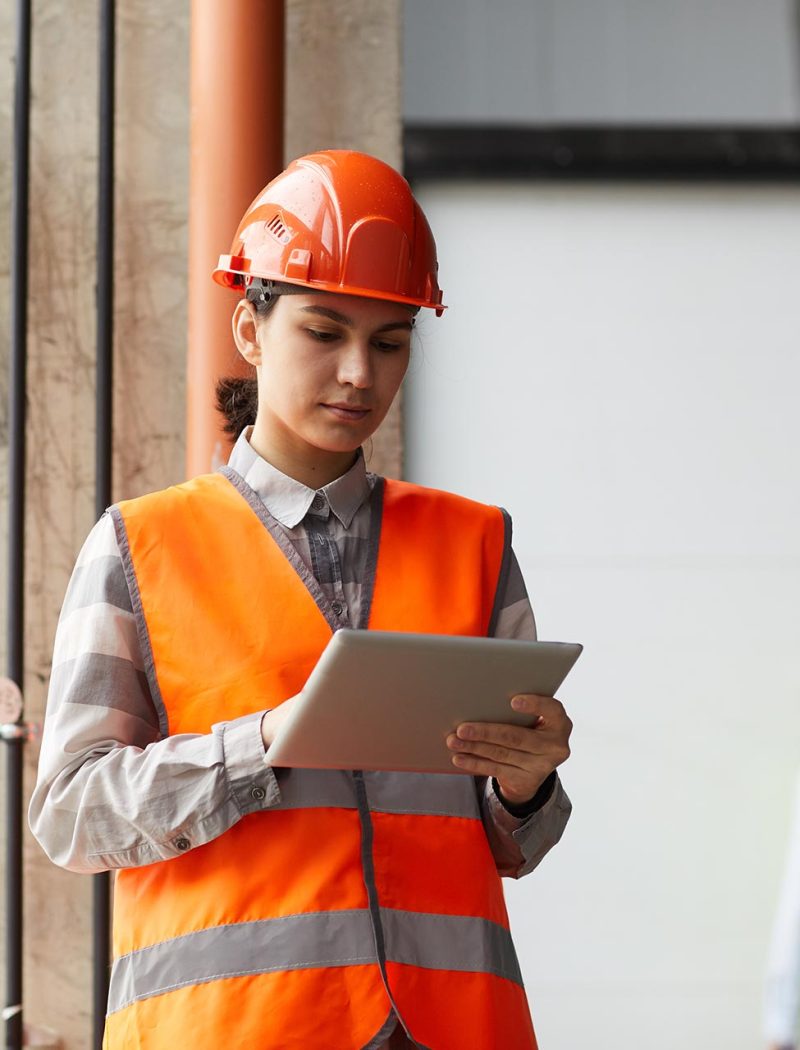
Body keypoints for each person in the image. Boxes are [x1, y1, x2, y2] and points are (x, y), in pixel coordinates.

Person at [29, 150, 574, 1050]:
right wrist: (263, 745)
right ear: (251, 327)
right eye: (324, 332)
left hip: (452, 1030)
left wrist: (528, 787)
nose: (360, 373)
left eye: (390, 341)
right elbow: (72, 815)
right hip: (229, 1031)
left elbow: (518, 840)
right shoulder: (139, 546)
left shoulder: (476, 546)